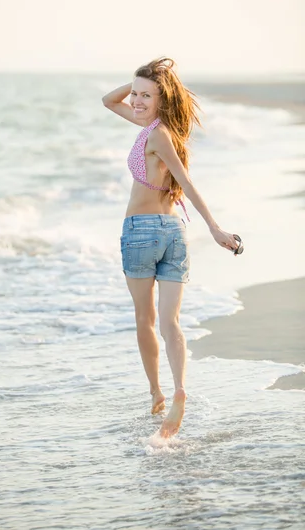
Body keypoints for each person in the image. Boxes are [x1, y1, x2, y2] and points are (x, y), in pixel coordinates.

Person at [102, 57, 240, 439]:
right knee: (171, 322)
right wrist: (140, 85)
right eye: (137, 94)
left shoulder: (156, 134)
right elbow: (108, 101)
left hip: (141, 232)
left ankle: (157, 393)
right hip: (174, 233)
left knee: (145, 320)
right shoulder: (162, 129)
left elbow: (188, 183)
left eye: (147, 96)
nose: (138, 101)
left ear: (164, 100)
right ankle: (179, 386)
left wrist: (214, 228)